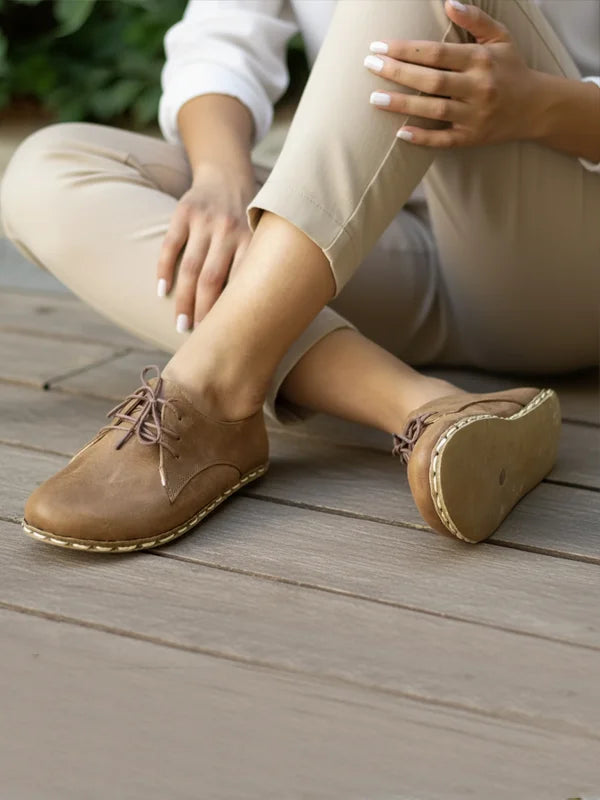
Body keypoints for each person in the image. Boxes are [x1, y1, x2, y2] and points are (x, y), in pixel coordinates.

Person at [1, 0, 598, 553]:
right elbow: (221, 39)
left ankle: (212, 389)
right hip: (372, 235)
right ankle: (429, 408)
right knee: (52, 170)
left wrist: (542, 106)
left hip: (557, 251)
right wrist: (220, 175)